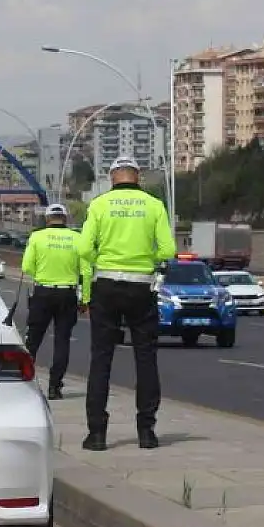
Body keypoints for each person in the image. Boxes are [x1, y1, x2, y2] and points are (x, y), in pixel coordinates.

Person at [77, 156, 176, 451]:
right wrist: (145, 261)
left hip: (106, 285)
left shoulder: (99, 205)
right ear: (138, 177)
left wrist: (102, 262)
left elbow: (83, 248)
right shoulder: (154, 205)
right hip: (141, 286)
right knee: (145, 358)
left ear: (112, 178)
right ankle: (147, 432)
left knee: (101, 359)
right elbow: (168, 250)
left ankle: (97, 434)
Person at [20, 203, 92, 400]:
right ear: (65, 218)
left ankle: (23, 383)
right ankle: (55, 387)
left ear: (47, 219)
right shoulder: (78, 239)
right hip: (67, 294)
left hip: (42, 292)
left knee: (33, 340)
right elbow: (86, 271)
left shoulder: (37, 237)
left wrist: (43, 275)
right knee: (62, 342)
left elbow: (26, 266)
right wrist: (85, 299)